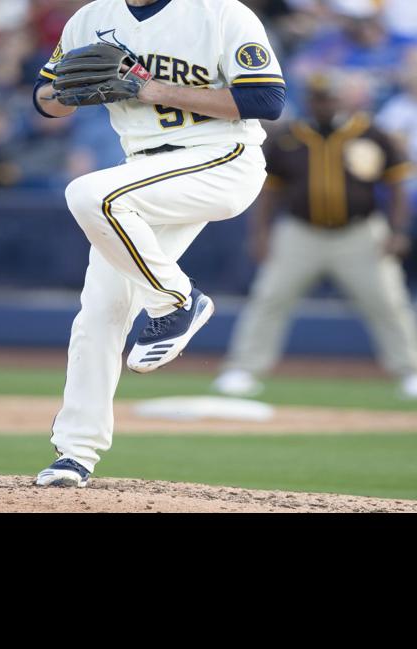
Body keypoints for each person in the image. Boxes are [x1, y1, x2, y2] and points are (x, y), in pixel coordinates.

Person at [29, 0, 287, 489]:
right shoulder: (89, 18)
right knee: (101, 309)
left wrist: (148, 88)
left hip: (221, 157)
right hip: (143, 169)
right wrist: (68, 92)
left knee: (88, 193)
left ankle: (175, 300)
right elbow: (43, 99)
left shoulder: (219, 13)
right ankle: (76, 453)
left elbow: (266, 100)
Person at [213, 74, 417, 402]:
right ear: (310, 100)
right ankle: (243, 368)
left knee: (389, 303)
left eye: (331, 98)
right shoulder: (289, 136)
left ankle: (415, 372)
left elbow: (397, 187)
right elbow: (268, 192)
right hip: (299, 232)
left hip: (360, 232)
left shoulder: (372, 134)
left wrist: (398, 230)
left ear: (345, 100)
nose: (325, 104)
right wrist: (260, 234)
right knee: (269, 298)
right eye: (320, 98)